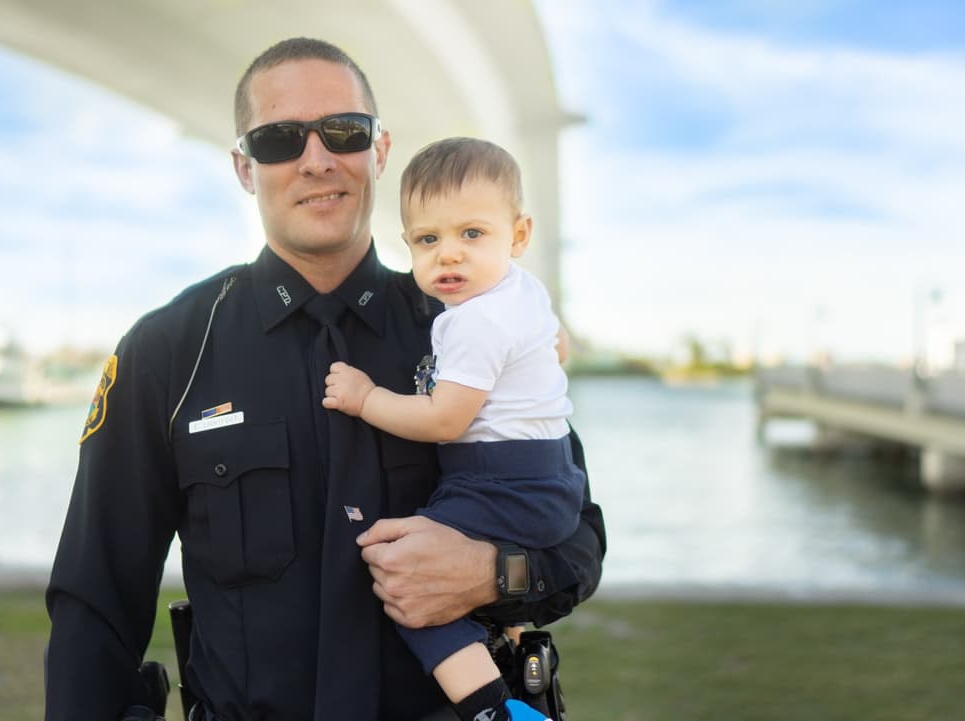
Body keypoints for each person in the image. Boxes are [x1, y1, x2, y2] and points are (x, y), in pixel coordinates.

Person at [44, 37, 605, 721]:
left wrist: (493, 571)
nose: (317, 159)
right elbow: (93, 601)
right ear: (244, 168)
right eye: (279, 139)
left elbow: (579, 538)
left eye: (344, 132)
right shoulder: (169, 350)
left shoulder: (474, 327)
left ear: (380, 150)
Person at [322, 137, 583, 721]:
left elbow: (445, 418)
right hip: (548, 474)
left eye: (472, 234)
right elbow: (559, 345)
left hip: (501, 482)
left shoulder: (475, 322)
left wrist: (367, 399)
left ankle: (492, 710)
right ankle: (511, 645)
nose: (448, 256)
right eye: (428, 240)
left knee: (407, 579)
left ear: (517, 235)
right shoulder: (522, 291)